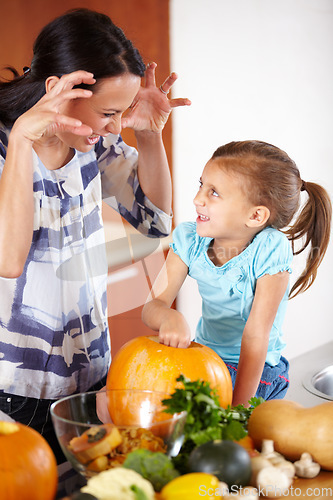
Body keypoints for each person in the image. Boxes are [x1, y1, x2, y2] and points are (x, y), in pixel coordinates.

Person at [0, 8, 190, 461]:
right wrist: (24, 141)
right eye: (109, 112)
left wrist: (148, 138)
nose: (115, 126)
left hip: (90, 375)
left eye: (123, 113)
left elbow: (157, 222)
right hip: (11, 384)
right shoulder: (5, 148)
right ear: (57, 90)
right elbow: (8, 259)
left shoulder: (93, 144)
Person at [142, 140, 332, 407]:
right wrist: (167, 316)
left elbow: (256, 336)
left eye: (214, 193)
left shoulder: (269, 249)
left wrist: (237, 410)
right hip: (206, 359)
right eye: (201, 185)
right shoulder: (189, 239)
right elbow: (152, 305)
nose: (198, 199)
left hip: (256, 373)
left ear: (256, 216)